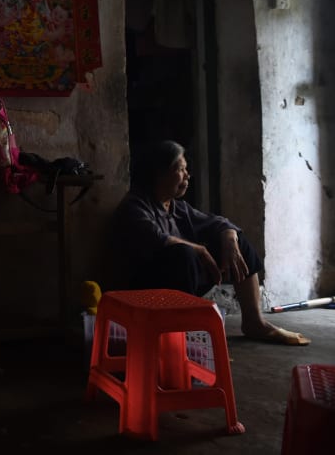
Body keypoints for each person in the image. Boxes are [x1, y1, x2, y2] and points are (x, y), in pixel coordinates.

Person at [112, 140, 310, 346]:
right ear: (158, 173)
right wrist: (200, 250)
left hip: (181, 282)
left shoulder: (178, 208)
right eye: (180, 169)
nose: (187, 176)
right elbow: (157, 239)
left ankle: (254, 322)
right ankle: (180, 333)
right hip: (146, 290)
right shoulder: (135, 205)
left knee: (236, 242)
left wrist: (230, 238)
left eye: (186, 169)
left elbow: (217, 223)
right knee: (183, 255)